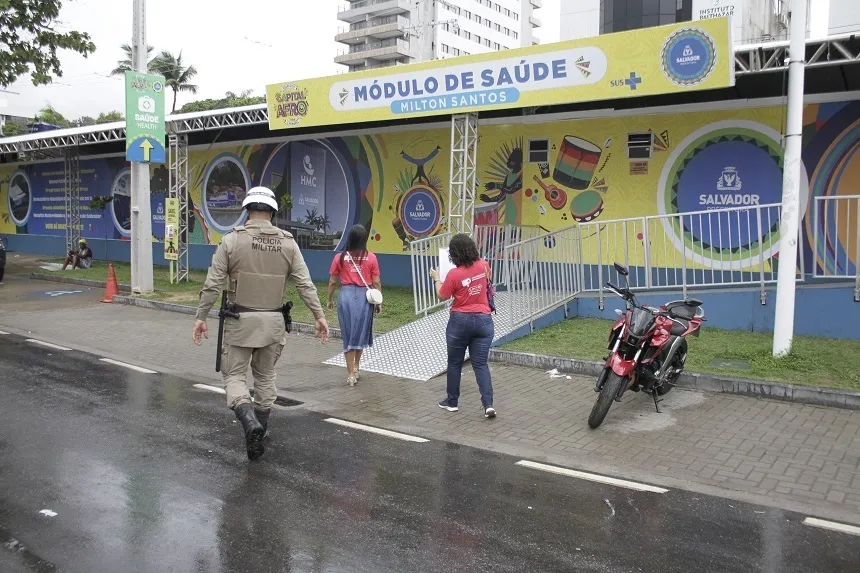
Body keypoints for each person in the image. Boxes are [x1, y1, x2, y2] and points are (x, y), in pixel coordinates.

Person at [192, 186, 330, 460]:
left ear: (246, 210)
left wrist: (200, 317)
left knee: (234, 376)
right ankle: (261, 429)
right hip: (273, 325)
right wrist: (319, 316)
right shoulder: (288, 243)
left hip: (239, 322)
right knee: (265, 377)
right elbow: (305, 284)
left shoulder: (231, 241)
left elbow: (212, 284)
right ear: (273, 212)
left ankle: (249, 422)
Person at [430, 233, 496, 419]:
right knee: (481, 364)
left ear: (454, 255)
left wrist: (436, 278)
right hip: (484, 320)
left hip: (460, 321)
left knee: (455, 363)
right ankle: (488, 404)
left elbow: (442, 296)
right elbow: (487, 280)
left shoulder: (453, 274)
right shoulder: (483, 264)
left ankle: (452, 402)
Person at [327, 224, 381, 387]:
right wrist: (378, 302)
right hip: (365, 297)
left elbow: (332, 281)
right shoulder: (371, 257)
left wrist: (330, 299)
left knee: (349, 334)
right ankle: (356, 367)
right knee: (360, 332)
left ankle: (350, 374)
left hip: (346, 297)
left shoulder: (339, 258)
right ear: (364, 240)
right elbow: (376, 282)